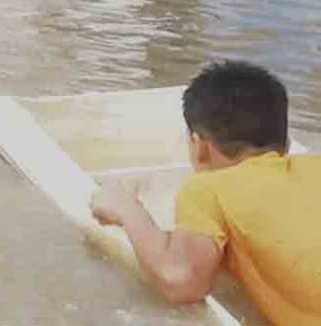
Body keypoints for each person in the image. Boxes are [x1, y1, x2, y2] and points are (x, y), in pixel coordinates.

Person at [90, 62, 321, 324]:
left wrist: (127, 210)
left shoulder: (209, 188)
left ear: (199, 147)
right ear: (286, 143)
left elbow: (179, 280)